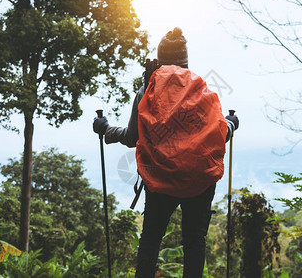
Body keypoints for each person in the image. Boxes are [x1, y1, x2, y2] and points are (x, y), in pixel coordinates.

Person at [93, 27, 239, 277]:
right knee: (195, 241)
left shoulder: (146, 91)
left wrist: (106, 129)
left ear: (160, 60)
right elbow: (217, 133)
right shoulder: (202, 92)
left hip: (161, 181)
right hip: (200, 181)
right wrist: (232, 123)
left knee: (150, 239)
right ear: (186, 61)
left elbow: (131, 137)